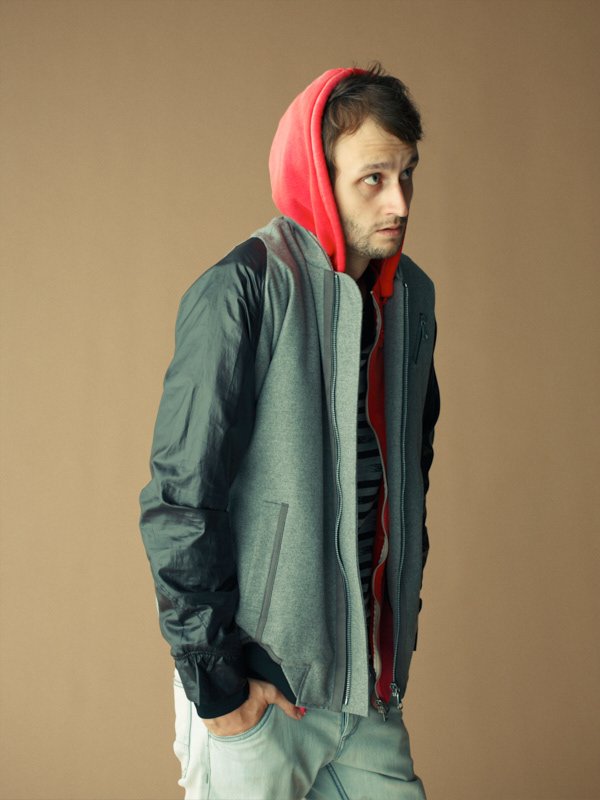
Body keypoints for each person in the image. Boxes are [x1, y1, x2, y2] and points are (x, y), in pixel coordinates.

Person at [139, 62, 440, 800]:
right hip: (260, 694)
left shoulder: (409, 299)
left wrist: (391, 640)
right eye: (373, 179)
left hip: (365, 692)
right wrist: (217, 685)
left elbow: (408, 482)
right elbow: (181, 499)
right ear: (319, 177)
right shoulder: (243, 287)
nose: (398, 201)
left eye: (406, 174)